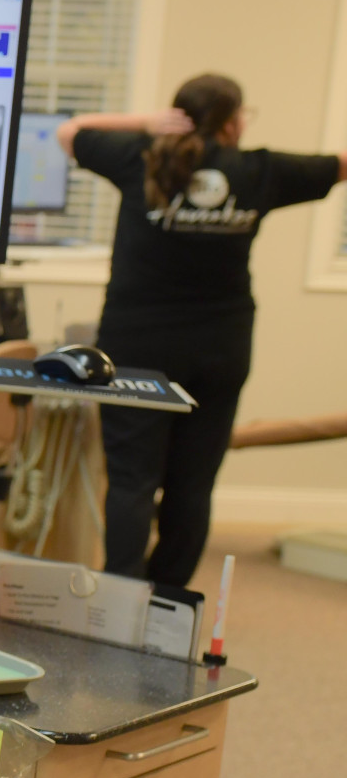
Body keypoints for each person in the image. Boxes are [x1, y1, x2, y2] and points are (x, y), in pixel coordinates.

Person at [61, 75, 347, 586]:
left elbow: (71, 130)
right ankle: (168, 606)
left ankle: (121, 600)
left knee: (131, 480)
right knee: (192, 486)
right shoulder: (261, 170)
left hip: (137, 343)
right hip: (220, 347)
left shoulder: (139, 155)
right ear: (235, 121)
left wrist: (147, 123)